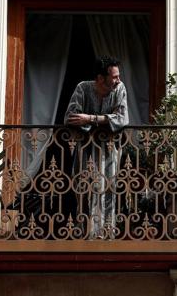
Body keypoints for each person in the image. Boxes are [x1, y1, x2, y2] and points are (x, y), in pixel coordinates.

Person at [64, 56, 129, 238]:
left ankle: (106, 234)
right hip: (85, 148)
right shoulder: (83, 88)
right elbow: (70, 117)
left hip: (110, 148)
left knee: (108, 188)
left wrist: (91, 119)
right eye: (114, 77)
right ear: (101, 78)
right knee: (84, 189)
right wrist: (104, 121)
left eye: (118, 76)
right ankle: (85, 233)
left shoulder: (120, 89)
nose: (118, 80)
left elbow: (122, 119)